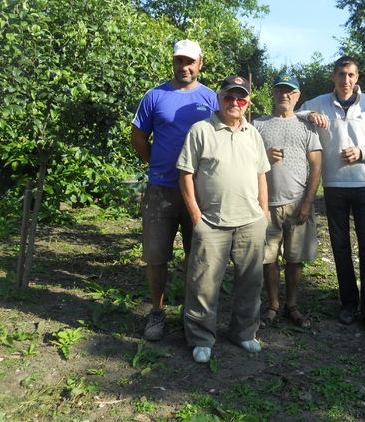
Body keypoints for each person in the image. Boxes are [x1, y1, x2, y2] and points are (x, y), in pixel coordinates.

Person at [177, 75, 270, 363]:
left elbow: (261, 174)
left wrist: (264, 213)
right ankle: (202, 338)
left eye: (240, 98)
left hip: (250, 222)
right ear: (219, 99)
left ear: (247, 103)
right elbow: (185, 174)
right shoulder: (200, 130)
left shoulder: (252, 133)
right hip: (212, 222)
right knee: (203, 284)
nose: (235, 103)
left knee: (250, 283)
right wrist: (195, 215)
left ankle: (243, 333)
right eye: (229, 97)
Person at [131, 39, 218, 341]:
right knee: (156, 255)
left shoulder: (212, 99)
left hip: (201, 191)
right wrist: (156, 162)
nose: (185, 67)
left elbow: (229, 135)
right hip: (162, 189)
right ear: (173, 63)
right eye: (180, 61)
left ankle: (192, 312)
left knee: (198, 255)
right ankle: (157, 311)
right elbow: (139, 136)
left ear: (200, 63)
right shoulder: (155, 96)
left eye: (190, 62)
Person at [300, 56, 365, 333]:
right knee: (340, 248)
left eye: (351, 75)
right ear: (333, 76)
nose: (346, 80)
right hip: (334, 186)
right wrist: (309, 115)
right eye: (341, 74)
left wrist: (362, 152)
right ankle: (349, 303)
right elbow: (294, 112)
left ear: (357, 77)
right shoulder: (319, 103)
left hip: (363, 185)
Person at [253, 75, 322, 330]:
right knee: (267, 259)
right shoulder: (258, 125)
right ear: (273, 94)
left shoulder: (307, 127)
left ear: (298, 96)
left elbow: (316, 166)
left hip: (297, 203)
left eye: (290, 92)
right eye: (280, 91)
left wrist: (307, 202)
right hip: (266, 205)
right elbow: (247, 160)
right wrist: (264, 155)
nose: (285, 95)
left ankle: (292, 305)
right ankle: (273, 304)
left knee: (295, 258)